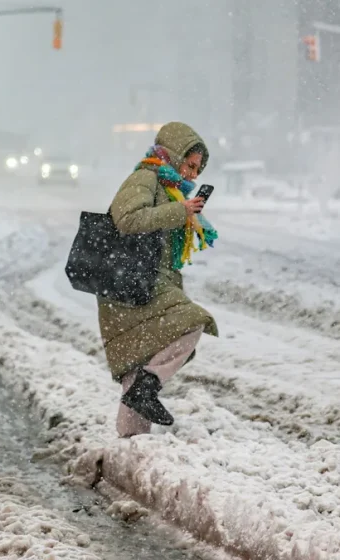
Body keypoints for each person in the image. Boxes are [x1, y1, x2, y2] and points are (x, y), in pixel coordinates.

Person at [98, 122, 219, 437]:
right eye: (190, 165)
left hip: (144, 281)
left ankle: (131, 444)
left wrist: (184, 210)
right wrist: (180, 211)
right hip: (131, 280)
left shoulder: (170, 189)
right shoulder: (145, 178)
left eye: (198, 169)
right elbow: (127, 220)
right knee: (193, 321)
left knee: (137, 358)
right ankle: (148, 385)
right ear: (175, 154)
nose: (194, 174)